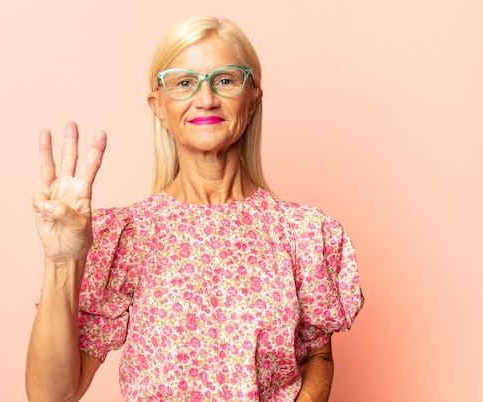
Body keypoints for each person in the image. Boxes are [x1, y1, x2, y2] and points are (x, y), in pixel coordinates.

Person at [26, 16, 363, 402]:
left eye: (225, 79)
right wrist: (60, 262)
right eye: (184, 82)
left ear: (253, 97)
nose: (206, 98)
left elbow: (316, 356)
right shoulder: (129, 235)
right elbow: (52, 395)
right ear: (159, 106)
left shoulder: (303, 233)